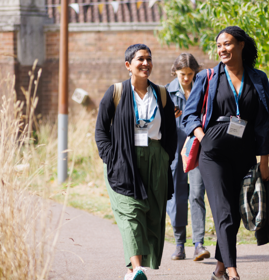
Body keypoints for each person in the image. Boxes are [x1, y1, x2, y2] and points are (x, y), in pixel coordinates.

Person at [182, 26, 269, 280]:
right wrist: (202, 137)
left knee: (235, 214)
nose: (222, 50)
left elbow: (264, 122)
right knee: (223, 210)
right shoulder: (208, 76)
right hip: (213, 154)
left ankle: (219, 269)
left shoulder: (258, 79)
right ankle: (232, 270)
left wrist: (264, 161)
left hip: (244, 154)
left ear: (241, 45)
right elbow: (189, 114)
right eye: (218, 46)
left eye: (227, 44)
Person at [95, 44, 177, 280]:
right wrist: (110, 157)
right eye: (140, 59)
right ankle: (138, 268)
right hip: (123, 159)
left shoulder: (161, 94)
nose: (145, 63)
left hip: (155, 159)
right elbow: (101, 130)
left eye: (149, 59)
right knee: (130, 212)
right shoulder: (116, 92)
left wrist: (165, 157)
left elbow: (171, 132)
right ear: (128, 65)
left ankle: (132, 270)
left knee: (151, 213)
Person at [166, 53, 211, 261]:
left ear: (195, 72)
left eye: (190, 74)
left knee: (196, 193)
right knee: (176, 197)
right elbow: (154, 124)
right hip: (174, 152)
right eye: (182, 74)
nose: (186, 78)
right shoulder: (165, 92)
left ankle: (199, 244)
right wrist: (168, 118)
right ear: (175, 72)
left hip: (196, 149)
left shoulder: (203, 88)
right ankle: (179, 245)